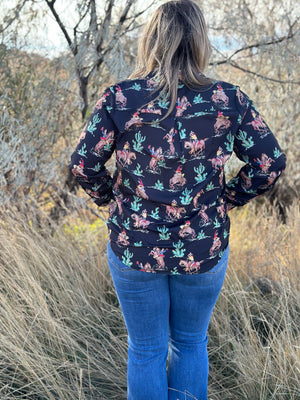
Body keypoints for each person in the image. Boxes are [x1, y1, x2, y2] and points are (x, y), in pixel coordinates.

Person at [69, 1, 286, 398]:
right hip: (203, 246)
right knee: (189, 343)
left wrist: (110, 197)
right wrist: (227, 199)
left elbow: (83, 164)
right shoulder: (228, 100)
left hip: (135, 246)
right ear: (200, 41)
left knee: (147, 350)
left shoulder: (121, 98)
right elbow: (269, 162)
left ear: (151, 40)